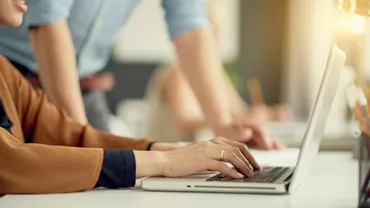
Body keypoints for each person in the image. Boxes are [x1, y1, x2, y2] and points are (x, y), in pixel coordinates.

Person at [0, 0, 260, 194]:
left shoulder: (4, 73)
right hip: (35, 73)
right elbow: (10, 161)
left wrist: (171, 150)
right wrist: (164, 162)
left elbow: (71, 135)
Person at [143, 4, 291, 144]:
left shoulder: (218, 74)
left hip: (196, 154)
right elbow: (184, 122)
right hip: (169, 155)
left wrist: (268, 114)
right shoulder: (175, 74)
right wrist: (223, 122)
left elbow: (239, 111)